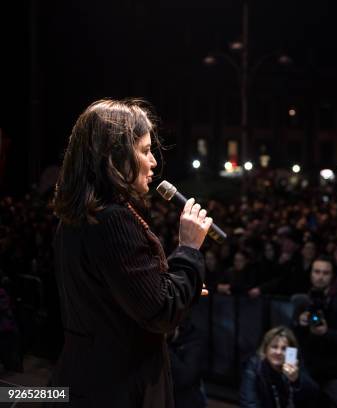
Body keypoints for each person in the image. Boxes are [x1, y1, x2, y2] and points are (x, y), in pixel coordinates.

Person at [47, 98, 213, 407]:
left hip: (86, 378)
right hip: (118, 387)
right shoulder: (113, 220)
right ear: (116, 156)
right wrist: (189, 249)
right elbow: (160, 311)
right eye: (146, 150)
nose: (153, 163)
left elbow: (121, 295)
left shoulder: (77, 217)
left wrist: (178, 281)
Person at [294, 256, 337, 408]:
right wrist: (300, 323)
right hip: (309, 369)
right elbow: (294, 336)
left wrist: (326, 333)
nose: (320, 277)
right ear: (311, 274)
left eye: (325, 273)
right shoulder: (305, 299)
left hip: (334, 373)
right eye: (316, 272)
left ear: (332, 276)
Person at [240, 326, 318, 408]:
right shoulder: (255, 366)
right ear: (265, 349)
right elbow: (249, 403)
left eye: (284, 349)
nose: (278, 352)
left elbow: (314, 394)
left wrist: (296, 380)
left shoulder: (294, 364)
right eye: (274, 347)